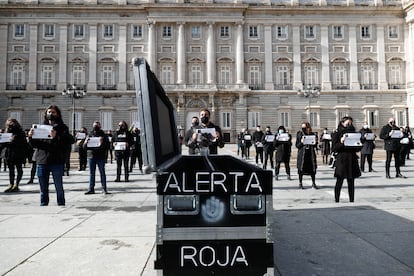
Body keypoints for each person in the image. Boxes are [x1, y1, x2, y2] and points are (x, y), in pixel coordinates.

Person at [28, 105, 72, 206]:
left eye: (53, 112)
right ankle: (43, 205)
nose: (51, 114)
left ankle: (61, 204)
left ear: (57, 114)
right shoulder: (40, 127)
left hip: (56, 160)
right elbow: (35, 145)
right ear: (45, 114)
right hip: (42, 160)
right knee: (43, 187)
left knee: (58, 186)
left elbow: (66, 143)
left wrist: (56, 137)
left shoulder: (62, 128)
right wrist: (30, 137)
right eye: (49, 112)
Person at [332, 116, 361, 202]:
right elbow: (334, 148)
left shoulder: (354, 133)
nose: (349, 125)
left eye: (351, 123)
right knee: (339, 180)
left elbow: (357, 148)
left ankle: (351, 199)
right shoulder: (337, 133)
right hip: (342, 159)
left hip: (352, 159)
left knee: (351, 181)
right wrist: (341, 141)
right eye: (347, 123)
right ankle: (336, 199)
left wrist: (359, 144)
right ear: (342, 123)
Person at [84, 121, 110, 194]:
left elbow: (107, 146)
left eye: (97, 125)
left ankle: (104, 188)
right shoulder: (89, 134)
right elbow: (84, 147)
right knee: (92, 173)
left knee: (102, 172)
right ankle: (91, 188)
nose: (96, 126)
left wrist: (102, 143)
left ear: (100, 126)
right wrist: (85, 142)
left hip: (100, 156)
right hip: (91, 156)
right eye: (95, 125)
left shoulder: (103, 135)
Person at [2, 118, 27, 192]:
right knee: (11, 170)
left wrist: (14, 140)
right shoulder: (6, 132)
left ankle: (17, 184)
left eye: (12, 122)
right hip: (9, 153)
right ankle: (11, 184)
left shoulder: (20, 132)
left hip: (18, 153)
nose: (11, 124)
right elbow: (3, 144)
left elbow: (24, 143)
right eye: (9, 123)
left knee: (19, 169)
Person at [296, 122, 318, 189]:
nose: (303, 129)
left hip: (310, 154)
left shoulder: (313, 134)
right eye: (302, 128)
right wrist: (302, 142)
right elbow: (297, 145)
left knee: (312, 169)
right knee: (301, 169)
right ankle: (300, 183)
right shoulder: (299, 134)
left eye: (305, 128)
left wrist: (315, 142)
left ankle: (313, 183)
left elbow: (315, 146)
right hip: (302, 154)